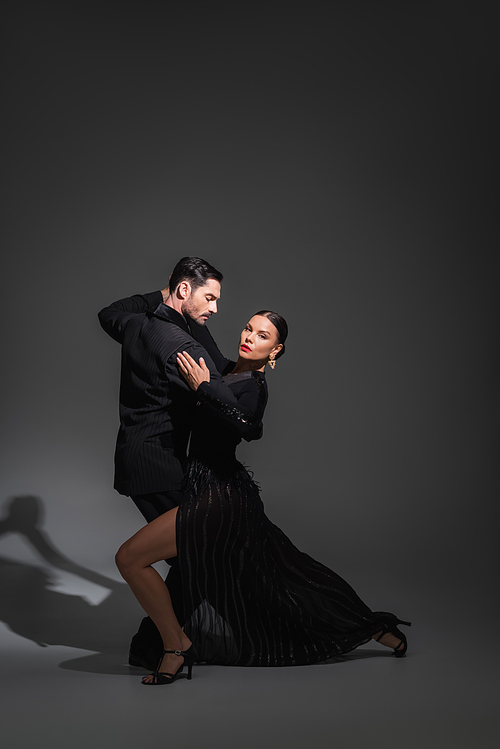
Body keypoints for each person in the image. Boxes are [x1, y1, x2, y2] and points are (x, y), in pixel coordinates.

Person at [115, 310, 411, 685]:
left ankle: (177, 646)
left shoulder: (252, 385)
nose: (251, 337)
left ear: (276, 350)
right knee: (280, 578)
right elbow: (193, 324)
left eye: (263, 335)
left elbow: (249, 426)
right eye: (249, 328)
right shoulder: (226, 368)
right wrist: (172, 297)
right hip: (210, 490)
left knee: (130, 558)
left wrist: (202, 389)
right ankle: (372, 629)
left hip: (220, 498)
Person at [98, 256, 246, 668]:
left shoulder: (138, 323)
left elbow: (109, 313)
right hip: (156, 461)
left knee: (192, 556)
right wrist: (255, 380)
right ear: (185, 289)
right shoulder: (179, 342)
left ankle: (155, 646)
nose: (215, 308)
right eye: (210, 297)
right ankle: (166, 644)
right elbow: (224, 394)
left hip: (144, 456)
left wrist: (164, 294)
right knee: (199, 553)